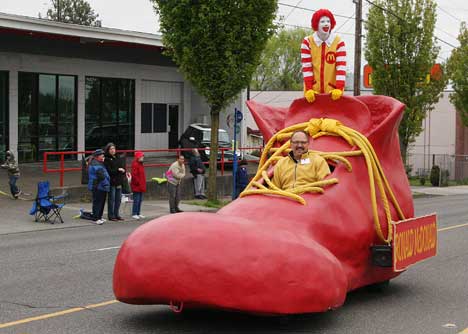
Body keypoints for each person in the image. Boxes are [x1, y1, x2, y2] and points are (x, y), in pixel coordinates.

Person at [301, 9, 347, 103]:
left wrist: (339, 88)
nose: (326, 24)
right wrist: (309, 89)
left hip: (333, 94)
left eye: (328, 21)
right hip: (313, 93)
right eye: (322, 21)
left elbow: (341, 68)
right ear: (316, 24)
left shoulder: (338, 42)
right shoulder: (307, 42)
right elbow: (307, 67)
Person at [87, 149, 110, 225]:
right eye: (101, 155)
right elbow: (101, 176)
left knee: (101, 202)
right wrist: (106, 184)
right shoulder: (96, 164)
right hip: (98, 186)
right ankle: (96, 218)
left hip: (100, 186)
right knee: (98, 202)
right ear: (97, 156)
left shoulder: (99, 162)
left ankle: (99, 216)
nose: (103, 156)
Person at [104, 143, 126, 221]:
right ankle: (111, 215)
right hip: (112, 182)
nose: (113, 150)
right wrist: (118, 170)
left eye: (114, 148)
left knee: (118, 199)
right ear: (108, 150)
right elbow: (109, 171)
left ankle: (117, 214)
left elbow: (122, 166)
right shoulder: (106, 159)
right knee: (111, 199)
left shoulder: (118, 157)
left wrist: (122, 170)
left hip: (119, 181)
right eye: (111, 149)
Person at [130, 151, 146, 220]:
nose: (143, 158)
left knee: (140, 200)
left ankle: (138, 213)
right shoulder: (135, 164)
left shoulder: (140, 164)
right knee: (136, 200)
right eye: (142, 156)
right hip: (137, 185)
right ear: (138, 157)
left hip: (141, 185)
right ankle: (134, 213)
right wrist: (138, 183)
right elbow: (134, 175)